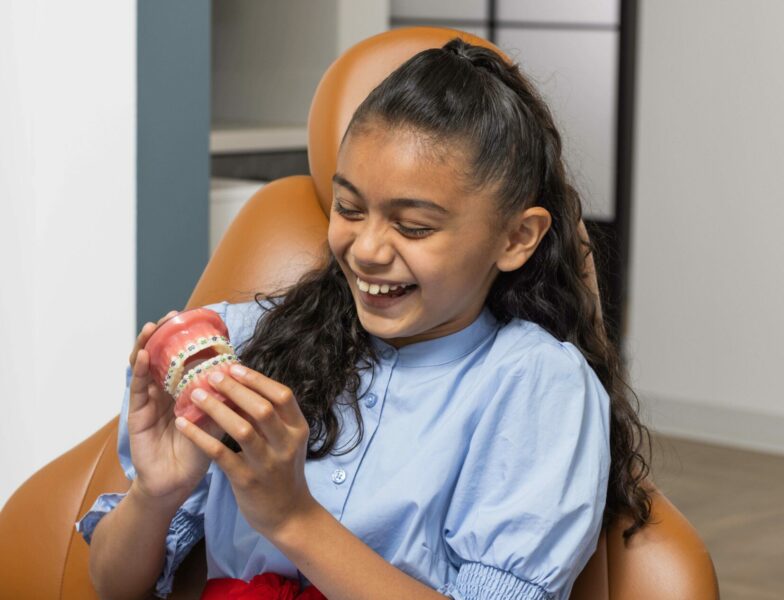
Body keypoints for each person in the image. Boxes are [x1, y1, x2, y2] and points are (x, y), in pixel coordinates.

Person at [75, 37, 652, 600]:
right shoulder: (240, 344)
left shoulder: (535, 384)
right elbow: (112, 583)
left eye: (414, 226)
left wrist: (294, 519)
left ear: (516, 237)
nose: (368, 249)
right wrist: (157, 493)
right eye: (349, 208)